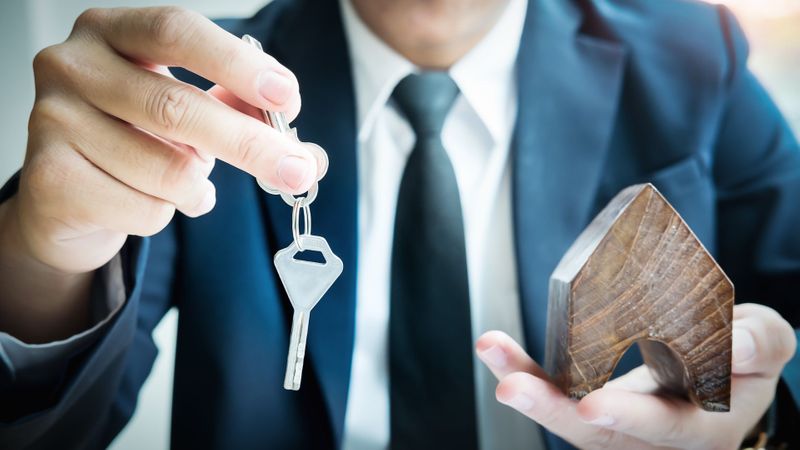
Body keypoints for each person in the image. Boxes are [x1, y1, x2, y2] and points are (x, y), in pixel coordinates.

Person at [0, 0, 797, 448]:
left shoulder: (698, 53)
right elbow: (50, 433)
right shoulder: (196, 97)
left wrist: (762, 425)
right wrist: (40, 256)